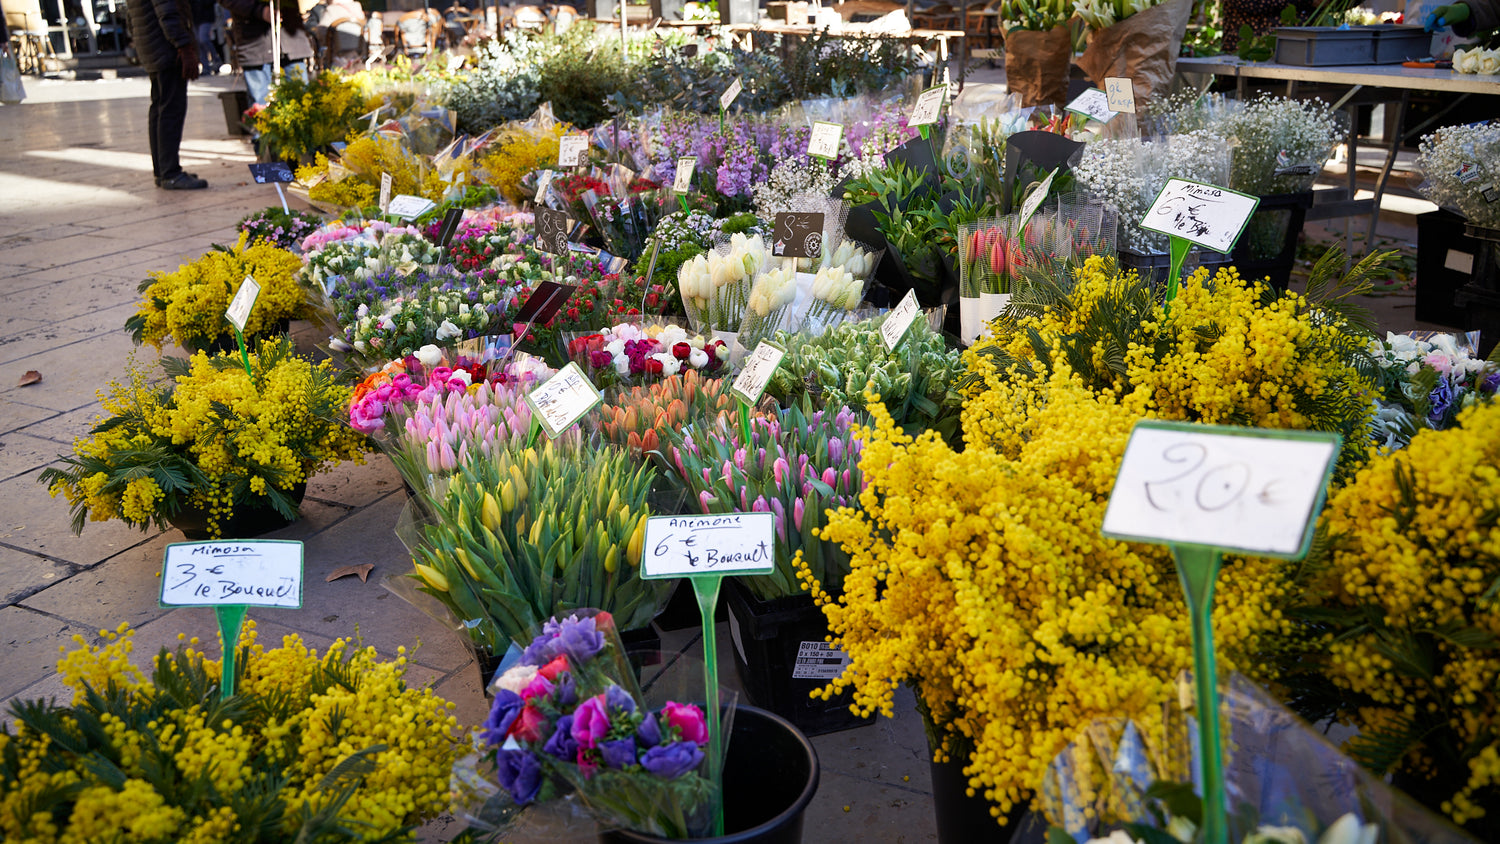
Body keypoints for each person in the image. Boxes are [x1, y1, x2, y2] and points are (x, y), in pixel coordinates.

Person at [126, 0, 208, 189]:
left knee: (160, 108)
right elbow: (168, 11)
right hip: (166, 47)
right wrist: (184, 46)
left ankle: (162, 171)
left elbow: (132, 18)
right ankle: (170, 173)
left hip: (153, 45)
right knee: (171, 110)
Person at [221, 0, 310, 107]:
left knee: (301, 101)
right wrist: (260, 11)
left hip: (291, 39)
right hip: (254, 43)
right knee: (260, 106)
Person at [190, 0, 221, 74]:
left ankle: (216, 59)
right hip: (195, 17)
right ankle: (205, 67)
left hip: (206, 17)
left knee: (203, 39)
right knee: (198, 43)